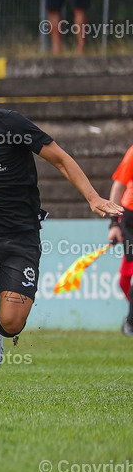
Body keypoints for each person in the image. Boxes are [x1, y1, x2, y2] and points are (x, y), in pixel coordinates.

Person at [0, 58, 121, 403]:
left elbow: (59, 158)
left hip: (21, 233)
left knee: (13, 322)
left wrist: (93, 197)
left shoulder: (10, 123)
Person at [106, 143, 133, 334]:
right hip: (131, 219)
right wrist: (114, 224)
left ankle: (130, 321)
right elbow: (118, 186)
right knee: (125, 278)